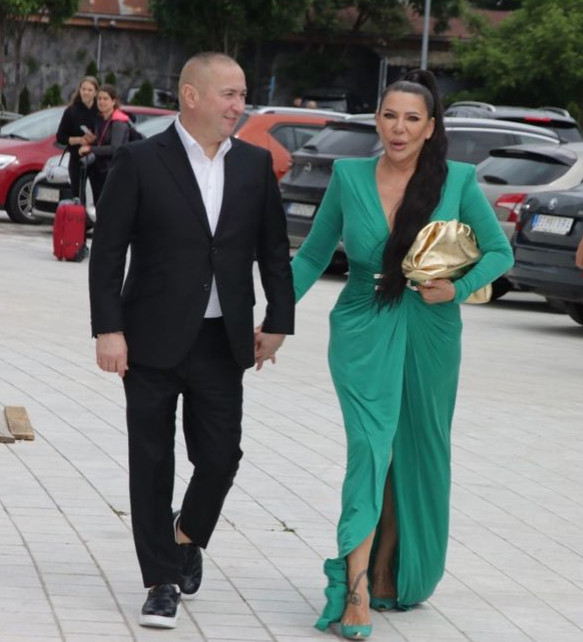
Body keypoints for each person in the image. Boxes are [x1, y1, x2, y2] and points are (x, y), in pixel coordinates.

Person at [291, 70, 513, 640]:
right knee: (370, 448)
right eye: (390, 115)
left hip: (432, 329)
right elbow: (313, 256)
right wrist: (272, 317)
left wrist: (457, 289)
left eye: (412, 118)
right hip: (363, 322)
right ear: (376, 120)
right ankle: (355, 587)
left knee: (415, 450)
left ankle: (390, 567)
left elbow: (499, 252)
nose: (399, 128)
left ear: (430, 127)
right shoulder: (349, 176)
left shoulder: (457, 180)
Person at [88, 52, 294, 630]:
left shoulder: (254, 164)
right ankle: (161, 581)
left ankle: (185, 535)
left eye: (242, 94)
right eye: (229, 94)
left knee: (221, 456)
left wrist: (279, 321)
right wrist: (108, 329)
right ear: (191, 95)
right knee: (151, 461)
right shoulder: (139, 160)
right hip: (149, 339)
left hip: (222, 339)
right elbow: (108, 253)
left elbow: (273, 251)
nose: (239, 105)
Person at [79, 84, 131, 206]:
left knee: (109, 206)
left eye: (105, 99)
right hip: (101, 170)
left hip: (114, 171)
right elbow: (103, 142)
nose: (101, 102)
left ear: (113, 101)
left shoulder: (118, 122)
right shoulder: (101, 119)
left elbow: (115, 148)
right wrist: (93, 140)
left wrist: (90, 148)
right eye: (99, 99)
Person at [56, 75, 99, 200]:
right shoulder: (71, 111)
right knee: (78, 195)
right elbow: (60, 137)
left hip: (97, 158)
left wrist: (94, 139)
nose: (86, 93)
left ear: (95, 92)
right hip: (77, 158)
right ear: (79, 90)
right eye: (83, 89)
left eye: (90, 90)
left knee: (99, 194)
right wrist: (80, 140)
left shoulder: (100, 110)